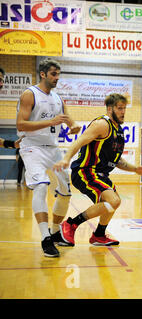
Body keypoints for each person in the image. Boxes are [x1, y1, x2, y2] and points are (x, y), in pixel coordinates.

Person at [53, 93, 142, 247]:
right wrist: (66, 158)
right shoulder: (102, 124)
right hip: (85, 171)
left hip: (100, 174)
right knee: (114, 201)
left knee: (113, 202)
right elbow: (79, 141)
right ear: (109, 109)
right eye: (119, 108)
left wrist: (135, 170)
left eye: (124, 108)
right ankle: (71, 224)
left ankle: (99, 235)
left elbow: (117, 160)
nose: (123, 112)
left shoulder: (118, 130)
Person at [16, 58, 81, 258]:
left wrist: (73, 127)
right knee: (42, 186)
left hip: (52, 148)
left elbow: (68, 119)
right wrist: (50, 122)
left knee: (65, 192)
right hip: (32, 146)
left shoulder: (58, 98)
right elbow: (20, 125)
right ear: (43, 74)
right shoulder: (30, 94)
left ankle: (54, 232)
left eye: (58, 75)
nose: (57, 78)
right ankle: (45, 238)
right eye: (54, 74)